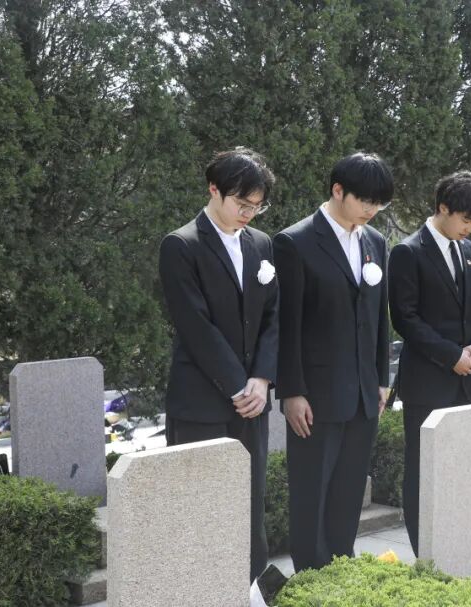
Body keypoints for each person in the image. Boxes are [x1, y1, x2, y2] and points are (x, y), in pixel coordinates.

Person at [158, 147, 278, 581]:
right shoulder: (181, 245)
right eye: (241, 203)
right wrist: (238, 385)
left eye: (256, 206)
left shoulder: (261, 243)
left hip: (253, 402)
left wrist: (262, 379)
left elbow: (273, 317)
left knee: (250, 506)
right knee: (201, 510)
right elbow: (195, 325)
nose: (248, 213)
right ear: (214, 189)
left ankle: (249, 590)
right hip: (201, 403)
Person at [274, 152, 393, 571]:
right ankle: (311, 578)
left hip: (364, 393)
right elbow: (287, 326)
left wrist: (381, 379)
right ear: (337, 190)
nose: (371, 210)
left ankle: (342, 572)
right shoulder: (295, 242)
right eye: (365, 200)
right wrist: (292, 391)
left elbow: (379, 317)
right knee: (312, 494)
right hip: (316, 396)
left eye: (379, 203)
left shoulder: (375, 241)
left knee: (348, 493)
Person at [388, 170, 471, 555]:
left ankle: (456, 548)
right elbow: (405, 319)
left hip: (465, 381)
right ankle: (425, 553)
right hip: (427, 381)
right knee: (424, 471)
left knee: (460, 469)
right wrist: (451, 356)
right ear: (443, 208)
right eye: (466, 219)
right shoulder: (408, 252)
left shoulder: (470, 252)